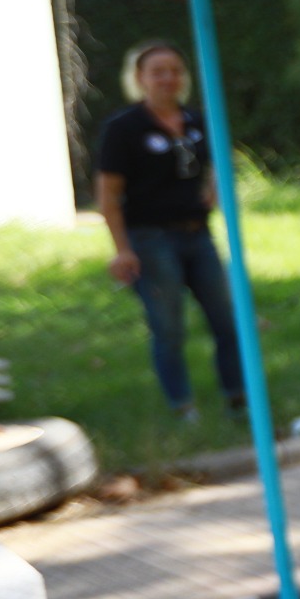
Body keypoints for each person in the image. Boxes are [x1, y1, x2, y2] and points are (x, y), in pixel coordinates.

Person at [96, 40, 244, 421]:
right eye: (158, 71)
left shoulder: (198, 122)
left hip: (199, 233)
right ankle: (183, 408)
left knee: (227, 319)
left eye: (175, 70)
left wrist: (213, 186)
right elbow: (109, 194)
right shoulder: (124, 128)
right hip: (150, 238)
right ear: (139, 79)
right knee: (169, 327)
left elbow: (217, 165)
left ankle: (239, 399)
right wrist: (122, 249)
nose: (168, 78)